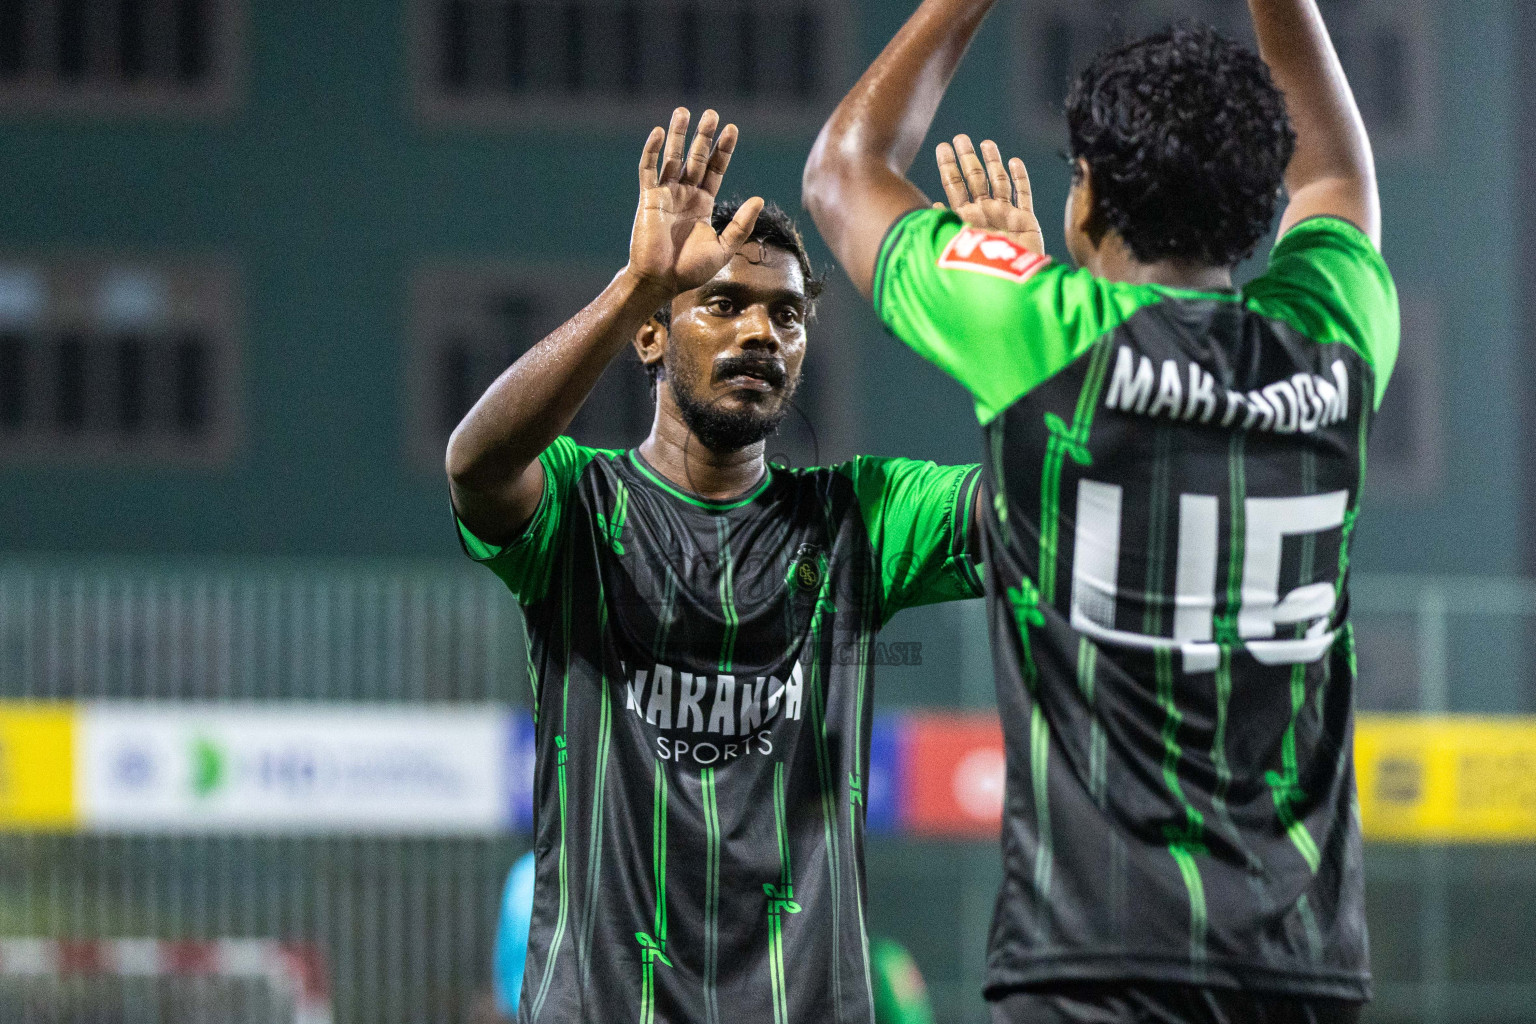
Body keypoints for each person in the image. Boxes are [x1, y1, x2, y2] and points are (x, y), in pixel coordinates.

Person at [804, 2, 1398, 1022]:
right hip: (1301, 967)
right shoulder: (1333, 344)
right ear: (1258, 209)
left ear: (1087, 204)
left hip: (1092, 967)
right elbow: (1339, 179)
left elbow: (843, 170)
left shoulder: (1043, 331)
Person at [448, 107, 985, 1023]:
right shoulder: (583, 506)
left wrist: (1005, 334)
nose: (760, 335)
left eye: (785, 316)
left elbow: (1048, 504)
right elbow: (477, 465)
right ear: (653, 339)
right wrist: (633, 287)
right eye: (723, 305)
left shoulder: (858, 515)